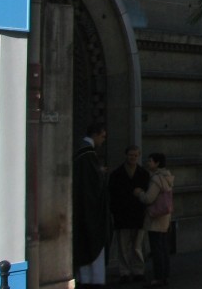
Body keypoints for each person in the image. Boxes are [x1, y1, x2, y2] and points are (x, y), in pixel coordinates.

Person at [73, 123, 109, 289]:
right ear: (95, 135)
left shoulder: (84, 152)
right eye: (102, 136)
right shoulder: (87, 154)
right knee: (92, 241)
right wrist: (101, 173)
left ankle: (86, 277)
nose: (103, 140)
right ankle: (92, 279)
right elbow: (93, 183)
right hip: (89, 208)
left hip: (82, 205)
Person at [108, 144, 150, 283]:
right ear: (126, 155)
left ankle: (138, 271)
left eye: (135, 155)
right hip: (122, 214)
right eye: (131, 155)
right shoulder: (116, 174)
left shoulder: (143, 174)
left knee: (137, 246)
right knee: (123, 246)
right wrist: (114, 213)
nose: (133, 158)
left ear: (138, 156)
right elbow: (112, 195)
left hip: (138, 214)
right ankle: (124, 272)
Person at [134, 152, 174, 288]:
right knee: (163, 248)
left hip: (155, 218)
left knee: (157, 249)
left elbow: (149, 198)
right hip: (165, 217)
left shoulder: (157, 179)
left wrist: (139, 193)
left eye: (150, 161)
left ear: (157, 163)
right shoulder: (167, 176)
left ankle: (158, 277)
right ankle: (165, 276)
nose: (148, 163)